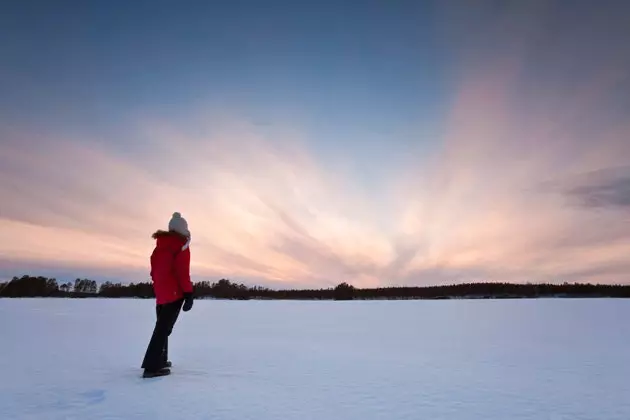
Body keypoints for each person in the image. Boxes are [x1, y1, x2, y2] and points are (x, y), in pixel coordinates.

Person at [141, 212, 194, 378]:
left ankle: (161, 359)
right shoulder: (181, 245)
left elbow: (154, 270)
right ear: (183, 229)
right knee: (163, 329)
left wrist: (159, 286)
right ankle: (152, 366)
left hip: (161, 292)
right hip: (174, 293)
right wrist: (188, 293)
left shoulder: (160, 246)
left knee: (162, 327)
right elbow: (182, 272)